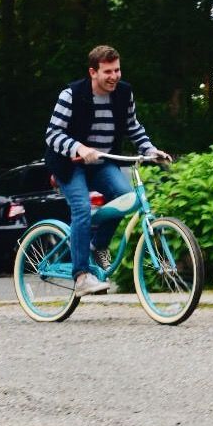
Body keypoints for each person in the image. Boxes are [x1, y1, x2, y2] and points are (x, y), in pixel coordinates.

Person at [44, 45, 170, 297]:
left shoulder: (124, 93)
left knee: (127, 198)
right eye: (107, 72)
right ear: (93, 72)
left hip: (103, 162)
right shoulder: (72, 94)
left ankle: (97, 244)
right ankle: (81, 276)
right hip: (70, 164)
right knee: (81, 208)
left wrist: (150, 149)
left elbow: (133, 127)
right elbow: (52, 135)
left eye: (117, 70)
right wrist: (79, 147)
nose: (114, 76)